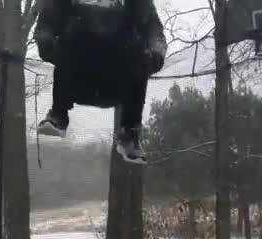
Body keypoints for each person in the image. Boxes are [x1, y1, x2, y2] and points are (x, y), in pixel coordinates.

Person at [34, 0, 167, 164]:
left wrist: (156, 54)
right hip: (78, 77)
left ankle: (129, 133)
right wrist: (45, 41)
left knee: (139, 51)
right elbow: (47, 20)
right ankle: (58, 114)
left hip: (117, 80)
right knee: (71, 32)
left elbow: (154, 32)